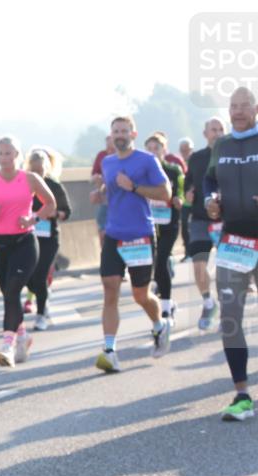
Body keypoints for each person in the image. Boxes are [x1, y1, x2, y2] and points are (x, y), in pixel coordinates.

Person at [94, 116, 173, 373]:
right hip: (114, 234)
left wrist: (135, 186)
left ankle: (160, 326)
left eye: (124, 131)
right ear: (111, 135)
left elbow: (165, 193)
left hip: (140, 235)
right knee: (110, 290)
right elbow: (111, 188)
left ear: (133, 134)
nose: (120, 135)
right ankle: (109, 351)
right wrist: (101, 194)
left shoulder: (147, 160)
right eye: (116, 131)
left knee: (140, 294)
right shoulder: (108, 162)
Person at [0, 136, 56, 367]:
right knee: (10, 295)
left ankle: (7, 345)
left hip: (24, 243)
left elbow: (51, 203)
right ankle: (24, 338)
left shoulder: (30, 179)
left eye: (8, 154)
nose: (3, 158)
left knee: (13, 290)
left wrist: (33, 219)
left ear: (17, 155)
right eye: (0, 154)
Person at [204, 86, 258, 422]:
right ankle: (241, 395)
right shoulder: (221, 145)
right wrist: (211, 201)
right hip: (234, 241)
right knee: (230, 319)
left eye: (243, 105)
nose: (237, 111)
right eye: (233, 106)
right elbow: (210, 180)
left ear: (255, 108)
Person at [183, 117, 226, 330]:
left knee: (227, 270)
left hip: (227, 220)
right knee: (198, 265)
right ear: (205, 134)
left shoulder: (232, 154)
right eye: (213, 130)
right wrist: (187, 193)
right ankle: (209, 302)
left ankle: (228, 310)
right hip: (200, 219)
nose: (217, 133)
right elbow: (189, 181)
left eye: (220, 129)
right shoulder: (196, 158)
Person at [24, 147, 71, 331]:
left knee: (41, 274)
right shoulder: (24, 183)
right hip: (28, 237)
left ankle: (41, 314)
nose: (38, 173)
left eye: (41, 169)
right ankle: (42, 295)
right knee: (28, 276)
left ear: (47, 167)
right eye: (34, 170)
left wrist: (54, 213)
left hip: (49, 238)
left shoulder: (54, 186)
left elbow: (67, 212)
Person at [143, 133, 185, 326]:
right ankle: (167, 301)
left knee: (160, 262)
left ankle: (166, 306)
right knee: (155, 264)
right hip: (149, 225)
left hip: (169, 224)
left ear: (164, 150)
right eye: (149, 149)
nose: (153, 152)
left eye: (156, 148)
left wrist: (178, 200)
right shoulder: (142, 172)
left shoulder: (174, 170)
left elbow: (181, 194)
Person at [91, 135, 115, 246]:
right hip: (105, 199)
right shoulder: (102, 156)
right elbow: (94, 175)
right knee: (102, 228)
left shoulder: (123, 157)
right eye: (107, 146)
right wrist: (98, 182)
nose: (109, 150)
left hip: (120, 200)